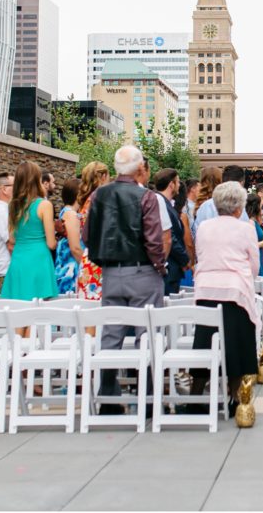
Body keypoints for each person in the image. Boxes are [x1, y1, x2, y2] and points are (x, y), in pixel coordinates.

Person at [83, 145, 168, 414]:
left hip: (110, 271)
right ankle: (150, 399)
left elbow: (87, 235)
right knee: (148, 333)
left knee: (111, 332)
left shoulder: (99, 194)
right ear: (140, 167)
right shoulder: (147, 197)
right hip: (142, 269)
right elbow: (153, 238)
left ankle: (107, 394)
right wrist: (159, 266)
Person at [189, 181, 260, 417]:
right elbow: (254, 265)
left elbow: (201, 254)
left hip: (206, 289)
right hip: (235, 291)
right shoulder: (246, 228)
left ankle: (196, 394)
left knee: (204, 342)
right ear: (239, 207)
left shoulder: (204, 227)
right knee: (238, 343)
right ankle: (234, 395)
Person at [1, 161, 58, 301]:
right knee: (41, 314)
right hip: (39, 260)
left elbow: (12, 239)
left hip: (19, 261)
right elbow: (51, 244)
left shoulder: (13, 205)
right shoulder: (44, 205)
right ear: (37, 180)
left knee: (19, 313)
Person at [76, 161, 109, 301]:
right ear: (102, 177)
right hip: (100, 259)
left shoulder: (86, 200)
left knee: (88, 310)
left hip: (87, 259)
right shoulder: (101, 198)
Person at [154, 168, 190, 296]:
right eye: (178, 182)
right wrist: (185, 260)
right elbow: (170, 238)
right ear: (171, 184)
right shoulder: (161, 203)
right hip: (168, 267)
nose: (179, 185)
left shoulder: (166, 204)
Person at [194, 165, 248, 236]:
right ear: (241, 183)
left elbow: (197, 234)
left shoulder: (206, 206)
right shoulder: (239, 206)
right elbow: (245, 234)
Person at [54, 178, 84, 296]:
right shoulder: (71, 214)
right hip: (70, 268)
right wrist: (86, 265)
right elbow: (74, 248)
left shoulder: (66, 212)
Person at [246, 194, 263, 277]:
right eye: (260, 204)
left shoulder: (256, 222)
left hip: (260, 256)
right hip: (254, 258)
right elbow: (250, 246)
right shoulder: (250, 222)